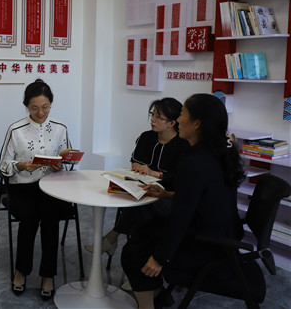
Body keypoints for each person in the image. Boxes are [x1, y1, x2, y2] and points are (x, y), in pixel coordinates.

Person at [121, 93, 245, 309]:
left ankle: (148, 304)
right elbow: (203, 198)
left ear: (197, 123)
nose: (178, 120)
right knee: (143, 232)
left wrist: (160, 258)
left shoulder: (195, 161)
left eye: (183, 114)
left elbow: (181, 217)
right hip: (222, 236)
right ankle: (159, 296)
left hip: (207, 246)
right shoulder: (219, 152)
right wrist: (167, 194)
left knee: (133, 253)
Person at [0, 79, 74, 301]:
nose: (40, 113)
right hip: (23, 186)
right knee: (29, 217)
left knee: (51, 217)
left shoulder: (60, 128)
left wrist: (62, 164)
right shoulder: (16, 129)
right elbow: (3, 166)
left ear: (51, 104)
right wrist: (22, 165)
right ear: (26, 106)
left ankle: (48, 275)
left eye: (45, 107)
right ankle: (21, 270)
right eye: (34, 108)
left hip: (52, 185)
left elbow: (69, 160)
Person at [85, 97, 189, 257]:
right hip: (142, 186)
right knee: (131, 198)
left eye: (158, 117)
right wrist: (137, 167)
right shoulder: (146, 137)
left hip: (167, 195)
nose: (152, 120)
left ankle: (113, 238)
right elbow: (135, 161)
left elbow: (180, 178)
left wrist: (154, 174)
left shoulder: (183, 145)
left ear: (172, 123)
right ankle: (129, 252)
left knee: (141, 207)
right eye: (152, 115)